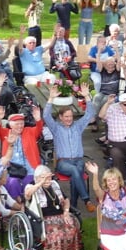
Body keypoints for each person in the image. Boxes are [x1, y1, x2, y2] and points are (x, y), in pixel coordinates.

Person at [43, 84, 97, 213]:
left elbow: (90, 114)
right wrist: (50, 98)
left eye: (71, 117)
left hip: (78, 160)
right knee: (74, 170)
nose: (69, 119)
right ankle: (86, 200)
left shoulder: (78, 126)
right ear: (61, 117)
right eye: (66, 117)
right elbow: (46, 116)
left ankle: (72, 205)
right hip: (63, 162)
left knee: (76, 172)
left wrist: (86, 96)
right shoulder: (56, 128)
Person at [24, 165, 83, 250]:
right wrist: (40, 183)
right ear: (37, 178)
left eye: (49, 177)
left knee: (72, 228)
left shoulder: (54, 185)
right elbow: (27, 194)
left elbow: (66, 200)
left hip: (60, 215)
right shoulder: (31, 186)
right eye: (45, 178)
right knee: (57, 235)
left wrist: (66, 212)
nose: (48, 180)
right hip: (43, 219)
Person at [0, 108, 44, 200]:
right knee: (13, 183)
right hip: (12, 167)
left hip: (29, 165)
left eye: (22, 123)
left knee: (29, 181)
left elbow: (39, 128)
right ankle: (16, 205)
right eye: (17, 124)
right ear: (11, 125)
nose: (20, 126)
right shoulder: (5, 132)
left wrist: (38, 119)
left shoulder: (29, 131)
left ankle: (29, 204)